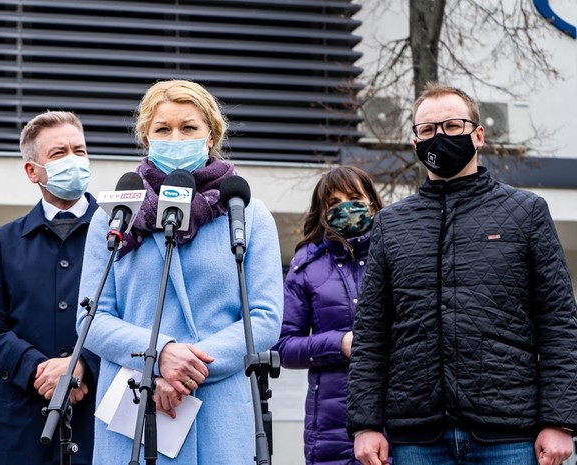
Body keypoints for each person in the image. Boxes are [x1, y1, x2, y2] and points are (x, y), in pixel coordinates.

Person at [347, 82, 577, 465]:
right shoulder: (391, 224)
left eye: (452, 126)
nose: (439, 137)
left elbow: (558, 323)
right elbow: (371, 331)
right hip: (417, 437)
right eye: (427, 129)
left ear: (478, 135)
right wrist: (364, 424)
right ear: (415, 141)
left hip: (508, 435)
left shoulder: (527, 213)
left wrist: (560, 421)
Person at [77, 79, 284, 464]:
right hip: (135, 407)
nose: (175, 138)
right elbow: (91, 319)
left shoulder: (248, 215)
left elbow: (265, 318)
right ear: (146, 137)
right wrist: (158, 356)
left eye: (188, 127)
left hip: (218, 411)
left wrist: (186, 369)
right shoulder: (115, 216)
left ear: (210, 136)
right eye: (163, 129)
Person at [0, 111, 99, 465]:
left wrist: (82, 365)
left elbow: (138, 318)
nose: (73, 160)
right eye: (59, 153)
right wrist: (38, 370)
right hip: (25, 427)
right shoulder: (4, 241)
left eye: (79, 151)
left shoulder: (121, 234)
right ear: (32, 171)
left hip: (100, 423)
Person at [275, 166, 384, 465]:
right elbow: (283, 346)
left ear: (372, 204)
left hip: (398, 421)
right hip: (331, 428)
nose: (345, 208)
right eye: (334, 203)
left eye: (354, 198)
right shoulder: (306, 266)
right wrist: (340, 344)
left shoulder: (396, 255)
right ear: (323, 212)